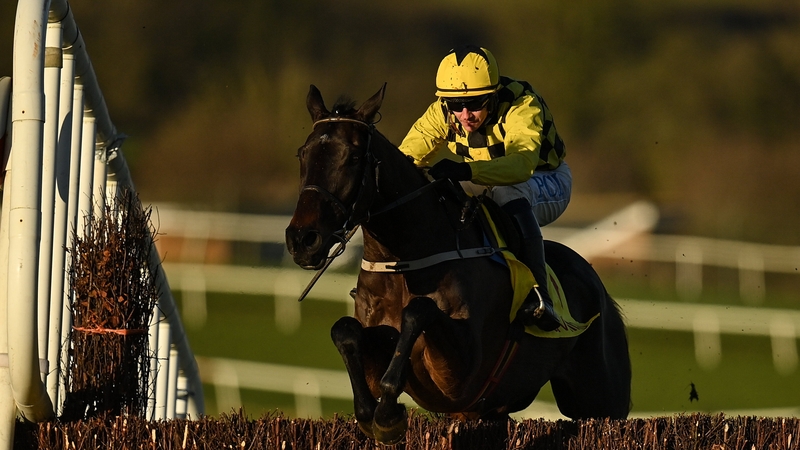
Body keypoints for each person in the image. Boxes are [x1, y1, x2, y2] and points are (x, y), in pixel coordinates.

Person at [398, 45, 572, 331]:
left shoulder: (522, 103)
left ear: (492, 95)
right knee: (433, 191)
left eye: (476, 102)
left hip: (545, 178)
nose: (465, 114)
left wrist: (466, 169)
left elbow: (521, 166)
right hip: (486, 179)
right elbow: (405, 159)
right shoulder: (441, 112)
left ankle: (539, 295)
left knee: (507, 192)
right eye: (455, 105)